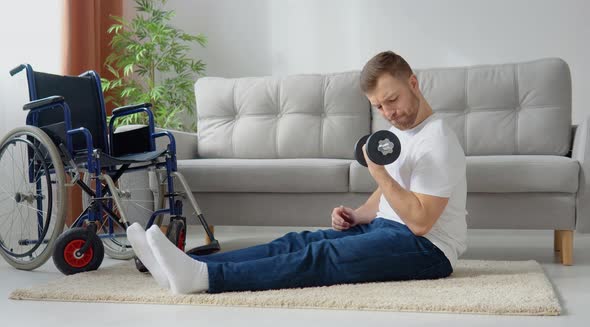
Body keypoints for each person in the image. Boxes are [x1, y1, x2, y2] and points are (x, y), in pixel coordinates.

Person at [126, 51, 467, 295]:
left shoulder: (438, 140)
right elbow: (394, 191)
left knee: (320, 257)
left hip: (427, 249)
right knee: (300, 241)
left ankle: (204, 278)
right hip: (390, 229)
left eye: (392, 100)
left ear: (414, 83)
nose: (388, 113)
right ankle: (183, 265)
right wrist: (358, 215)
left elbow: (421, 222)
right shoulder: (404, 133)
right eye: (378, 107)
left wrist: (377, 171)